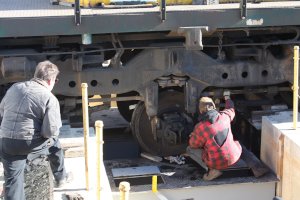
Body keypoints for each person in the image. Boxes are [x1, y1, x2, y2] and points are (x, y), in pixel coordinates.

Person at [0, 60, 69, 200]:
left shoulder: (14, 87)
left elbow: (2, 110)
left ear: (36, 75)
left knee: (13, 180)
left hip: (7, 142)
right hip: (29, 143)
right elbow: (49, 131)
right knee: (54, 140)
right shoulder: (49, 98)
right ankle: (61, 177)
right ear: (51, 81)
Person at [187, 92, 242, 181]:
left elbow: (193, 145)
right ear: (214, 107)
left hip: (216, 163)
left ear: (200, 111)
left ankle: (212, 170)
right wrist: (227, 97)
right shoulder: (225, 116)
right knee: (237, 144)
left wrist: (193, 136)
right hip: (234, 158)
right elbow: (231, 108)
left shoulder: (200, 127)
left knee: (189, 149)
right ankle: (257, 166)